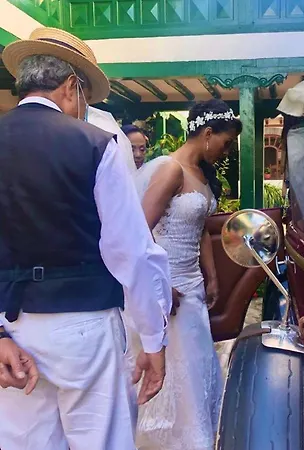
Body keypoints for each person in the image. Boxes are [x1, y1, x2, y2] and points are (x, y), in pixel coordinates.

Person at [0, 27, 172, 450]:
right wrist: (153, 338)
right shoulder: (95, 144)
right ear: (71, 86)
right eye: (87, 98)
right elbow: (132, 253)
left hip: (12, 326)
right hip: (84, 328)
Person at [128, 99, 242, 450]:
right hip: (170, 287)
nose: (226, 152)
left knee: (195, 369)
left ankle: (197, 436)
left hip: (192, 285)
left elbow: (200, 227)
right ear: (207, 134)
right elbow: (138, 230)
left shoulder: (200, 173)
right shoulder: (171, 170)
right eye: (225, 143)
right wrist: (160, 284)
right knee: (177, 367)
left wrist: (212, 275)